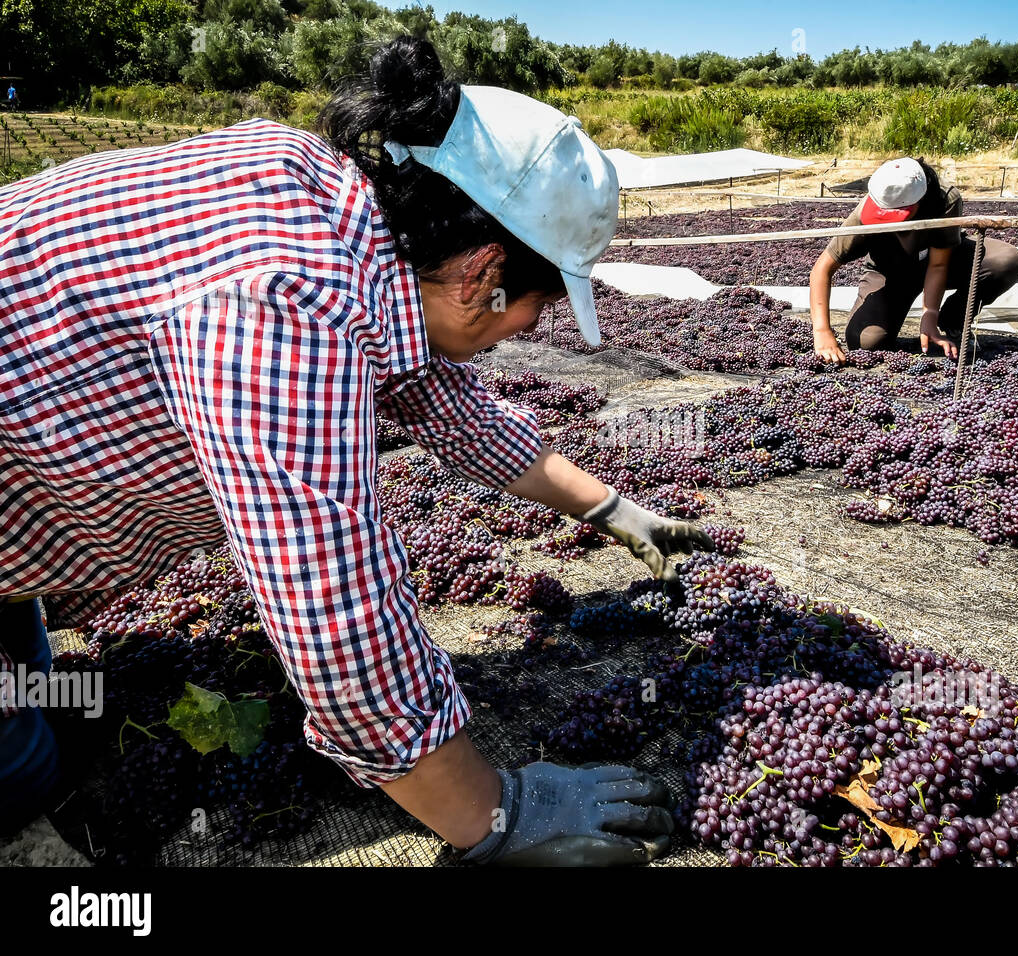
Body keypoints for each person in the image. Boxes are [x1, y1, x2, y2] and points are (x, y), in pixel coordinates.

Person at [0, 37, 715, 865]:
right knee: (30, 769)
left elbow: (450, 407)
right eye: (542, 304)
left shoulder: (342, 212)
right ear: (484, 273)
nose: (534, 330)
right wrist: (496, 817)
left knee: (49, 699)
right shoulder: (286, 300)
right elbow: (331, 613)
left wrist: (618, 513)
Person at [809, 157, 1018, 363]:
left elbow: (939, 264)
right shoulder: (864, 213)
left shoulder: (944, 200)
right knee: (865, 342)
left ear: (920, 202)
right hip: (891, 273)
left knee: (1006, 261)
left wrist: (929, 315)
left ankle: (952, 318)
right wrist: (822, 331)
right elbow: (822, 269)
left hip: (945, 262)